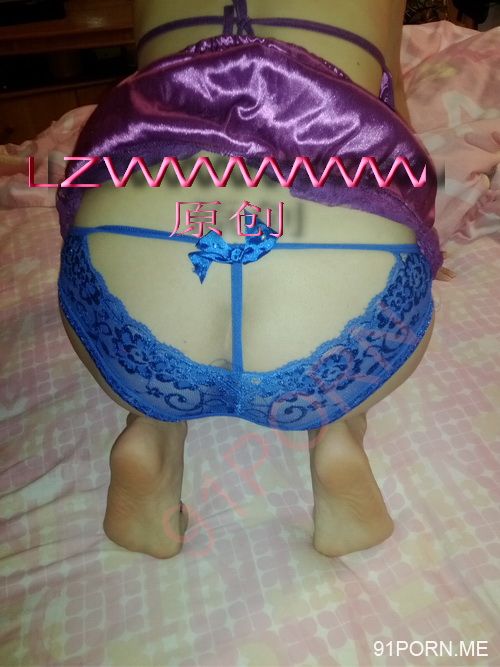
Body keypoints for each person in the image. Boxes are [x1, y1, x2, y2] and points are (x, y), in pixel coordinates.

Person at [57, 0, 451, 559]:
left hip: (138, 240)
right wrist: (422, 242)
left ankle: (150, 426)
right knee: (375, 304)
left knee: (142, 311)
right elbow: (398, 132)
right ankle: (339, 430)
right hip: (339, 247)